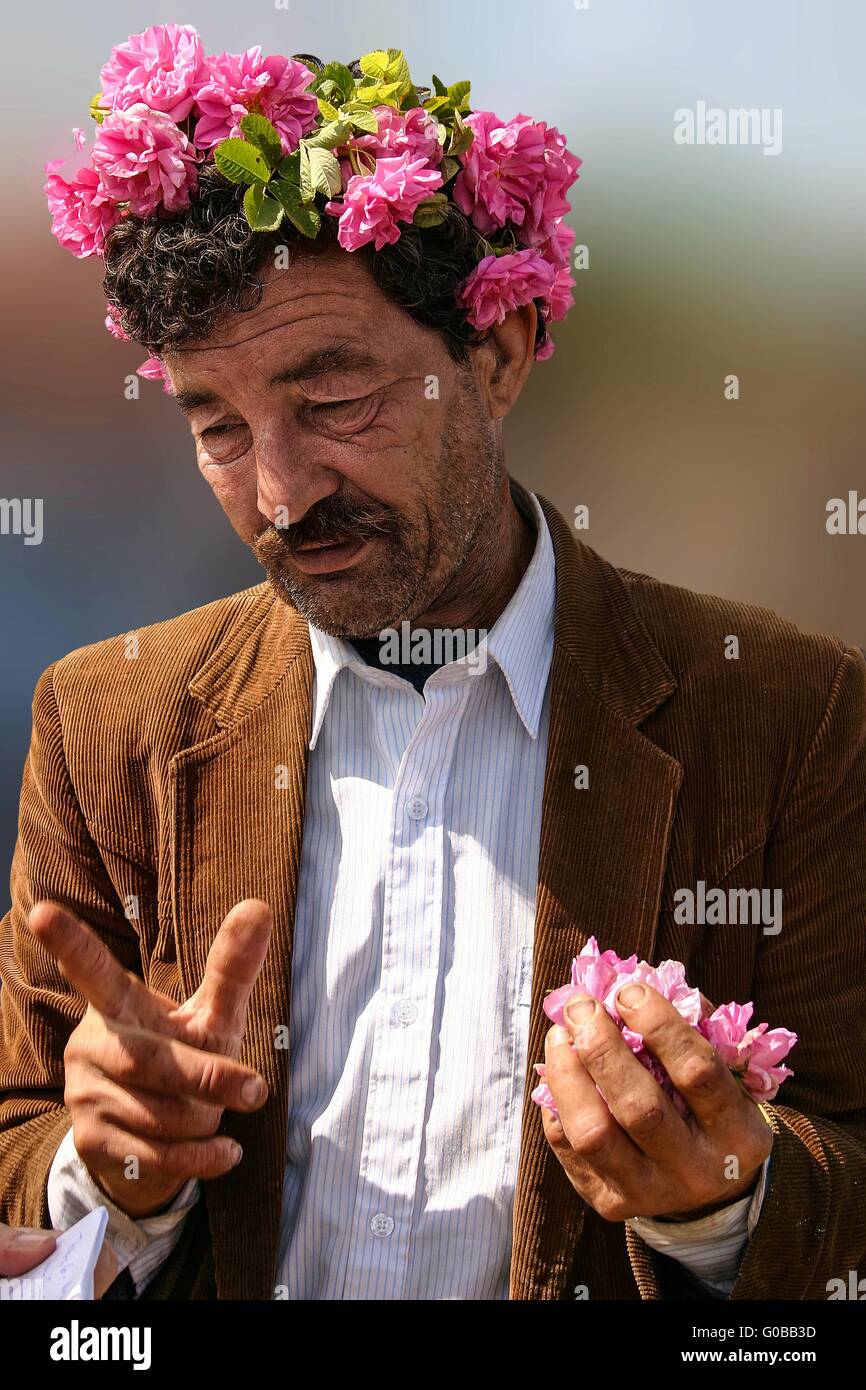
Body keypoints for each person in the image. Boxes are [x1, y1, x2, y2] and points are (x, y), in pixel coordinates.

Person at [1, 26, 864, 1301]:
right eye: (218, 426)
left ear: (500, 351)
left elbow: (842, 1164)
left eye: (336, 402)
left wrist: (720, 1199)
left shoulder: (787, 711)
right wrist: (111, 1165)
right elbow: (23, 1157)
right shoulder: (106, 717)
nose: (282, 493)